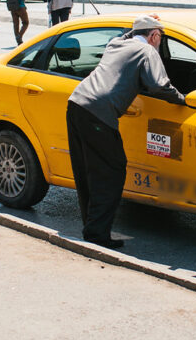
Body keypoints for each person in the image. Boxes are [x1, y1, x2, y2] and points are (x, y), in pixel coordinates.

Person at [66, 15, 185, 248]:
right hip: (99, 113)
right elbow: (159, 85)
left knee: (87, 170)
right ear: (154, 36)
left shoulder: (116, 44)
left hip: (76, 104)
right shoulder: (147, 51)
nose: (159, 43)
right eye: (159, 38)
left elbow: (126, 37)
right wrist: (183, 99)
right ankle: (97, 233)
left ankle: (91, 227)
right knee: (112, 171)